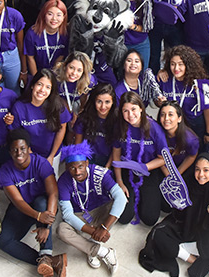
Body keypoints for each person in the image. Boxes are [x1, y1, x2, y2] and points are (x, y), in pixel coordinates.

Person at [138, 153, 209, 277]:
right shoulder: (187, 183)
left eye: (206, 170)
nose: (201, 175)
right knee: (157, 234)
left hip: (204, 232)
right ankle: (192, 260)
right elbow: (178, 214)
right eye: (197, 169)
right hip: (184, 227)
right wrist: (178, 205)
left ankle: (182, 250)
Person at [0, 129, 68, 277]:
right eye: (14, 150)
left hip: (42, 205)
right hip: (24, 208)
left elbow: (53, 193)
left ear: (29, 149)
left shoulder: (40, 163)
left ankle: (46, 253)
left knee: (41, 201)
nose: (19, 153)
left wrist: (46, 226)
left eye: (22, 149)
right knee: (3, 241)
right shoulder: (5, 171)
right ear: (9, 152)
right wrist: (38, 217)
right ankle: (50, 261)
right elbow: (18, 201)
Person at [56, 142, 125, 272]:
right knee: (62, 230)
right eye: (72, 168)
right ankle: (100, 251)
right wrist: (93, 232)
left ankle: (92, 244)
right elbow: (67, 214)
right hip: (80, 214)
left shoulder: (99, 173)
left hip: (101, 209)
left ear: (87, 163)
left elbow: (120, 197)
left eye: (80, 166)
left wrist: (104, 228)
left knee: (119, 203)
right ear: (66, 167)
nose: (77, 172)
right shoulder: (63, 181)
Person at [113, 92, 167, 225]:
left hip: (149, 169)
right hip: (127, 168)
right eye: (125, 110)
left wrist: (144, 167)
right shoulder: (120, 127)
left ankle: (148, 196)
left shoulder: (154, 128)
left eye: (133, 109)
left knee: (149, 219)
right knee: (124, 217)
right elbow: (116, 155)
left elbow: (163, 158)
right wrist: (119, 182)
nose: (130, 115)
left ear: (141, 108)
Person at [9, 69, 72, 165]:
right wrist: (30, 156)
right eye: (39, 84)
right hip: (27, 155)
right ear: (32, 85)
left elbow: (62, 129)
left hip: (52, 154)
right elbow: (16, 135)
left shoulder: (58, 105)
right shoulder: (19, 107)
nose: (42, 90)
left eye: (48, 87)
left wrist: (51, 156)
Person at [73, 83, 118, 167]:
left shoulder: (117, 120)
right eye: (99, 101)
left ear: (113, 102)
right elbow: (78, 145)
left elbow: (116, 150)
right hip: (87, 157)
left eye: (107, 102)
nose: (103, 106)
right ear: (94, 101)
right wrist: (82, 163)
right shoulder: (84, 117)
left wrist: (106, 169)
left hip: (108, 159)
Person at [23, 0, 69, 75]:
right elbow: (30, 57)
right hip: (36, 70)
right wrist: (36, 78)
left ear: (64, 17)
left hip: (55, 71)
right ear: (44, 15)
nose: (54, 18)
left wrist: (53, 75)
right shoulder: (32, 33)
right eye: (50, 14)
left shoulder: (65, 33)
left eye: (59, 15)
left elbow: (62, 55)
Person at [156, 101, 199, 175]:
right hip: (160, 166)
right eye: (162, 115)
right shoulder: (156, 133)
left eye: (170, 115)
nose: (166, 118)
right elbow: (157, 156)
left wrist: (177, 174)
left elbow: (192, 155)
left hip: (182, 168)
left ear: (179, 118)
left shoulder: (191, 139)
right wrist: (168, 174)